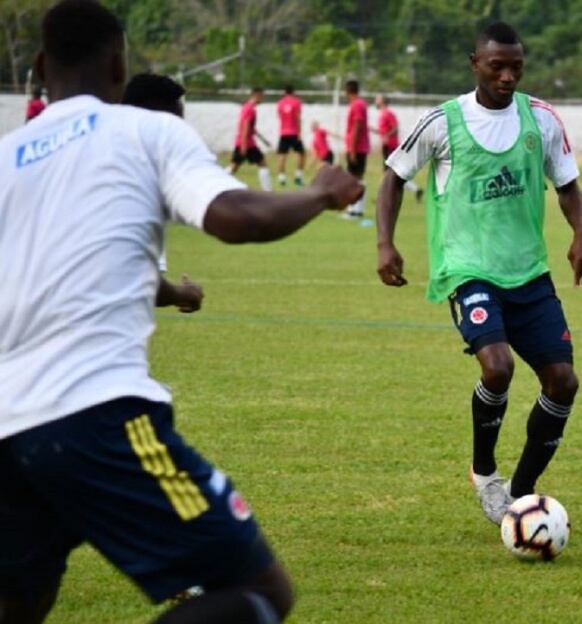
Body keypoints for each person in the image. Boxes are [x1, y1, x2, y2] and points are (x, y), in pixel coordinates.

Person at [0, 3, 363, 623]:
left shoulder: (7, 157)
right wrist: (320, 193)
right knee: (257, 593)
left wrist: (171, 292)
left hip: (8, 428)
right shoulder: (145, 131)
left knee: (19, 604)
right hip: (95, 412)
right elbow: (237, 217)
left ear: (38, 66)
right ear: (120, 65)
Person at [376, 22, 582, 525]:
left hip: (529, 273)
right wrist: (385, 243)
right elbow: (393, 177)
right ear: (475, 63)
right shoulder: (442, 122)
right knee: (497, 367)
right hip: (468, 269)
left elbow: (567, 185)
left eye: (516, 67)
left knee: (563, 381)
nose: (507, 76)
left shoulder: (541, 119)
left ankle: (521, 493)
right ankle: (485, 474)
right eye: (497, 66)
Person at [121, 72, 205, 314]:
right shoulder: (130, 183)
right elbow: (140, 283)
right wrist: (184, 294)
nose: (181, 133)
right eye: (175, 125)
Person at [374, 94, 421, 201]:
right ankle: (415, 189)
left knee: (390, 173)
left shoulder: (388, 113)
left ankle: (383, 197)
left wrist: (387, 136)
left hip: (390, 146)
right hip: (386, 147)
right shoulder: (383, 114)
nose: (375, 101)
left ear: (382, 101)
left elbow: (395, 128)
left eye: (377, 99)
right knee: (391, 173)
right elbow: (383, 132)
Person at [229, 86, 273, 192]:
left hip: (245, 142)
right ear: (256, 95)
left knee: (234, 167)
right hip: (247, 144)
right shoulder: (250, 109)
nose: (263, 99)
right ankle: (268, 192)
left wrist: (264, 140)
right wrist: (244, 146)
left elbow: (251, 128)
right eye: (262, 96)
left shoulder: (247, 107)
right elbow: (245, 127)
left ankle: (268, 191)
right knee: (262, 164)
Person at [343, 80, 370, 218]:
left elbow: (357, 126)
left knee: (354, 179)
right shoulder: (360, 104)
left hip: (357, 148)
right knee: (355, 178)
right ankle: (354, 209)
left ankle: (355, 210)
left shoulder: (357, 105)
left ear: (347, 92)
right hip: (358, 147)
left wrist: (352, 149)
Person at [275, 85, 305, 187]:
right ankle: (298, 177)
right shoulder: (297, 102)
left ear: (285, 92)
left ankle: (281, 179)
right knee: (301, 154)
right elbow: (297, 118)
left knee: (282, 155)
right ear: (293, 92)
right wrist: (299, 132)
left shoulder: (280, 103)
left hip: (283, 132)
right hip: (294, 132)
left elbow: (279, 116)